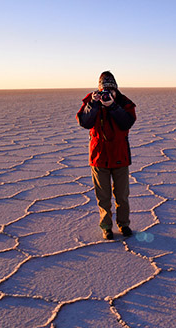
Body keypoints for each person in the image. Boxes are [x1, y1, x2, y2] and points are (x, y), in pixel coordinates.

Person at [76, 71, 136, 240]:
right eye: (104, 91)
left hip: (120, 157)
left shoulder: (124, 104)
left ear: (116, 90)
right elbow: (84, 122)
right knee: (103, 197)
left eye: (111, 90)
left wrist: (112, 106)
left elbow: (127, 122)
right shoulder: (92, 103)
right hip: (99, 158)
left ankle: (124, 225)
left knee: (122, 196)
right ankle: (106, 227)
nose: (107, 94)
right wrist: (93, 104)